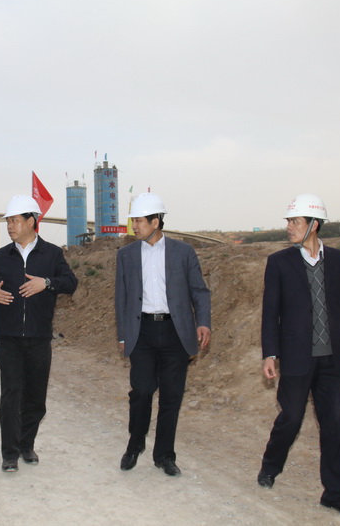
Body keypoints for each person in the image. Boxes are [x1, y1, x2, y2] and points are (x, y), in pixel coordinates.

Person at [256, 194, 340, 522]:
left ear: (313, 225)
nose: (289, 227)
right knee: (291, 418)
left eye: (295, 221)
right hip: (296, 357)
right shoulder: (279, 262)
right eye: (289, 221)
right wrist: (270, 353)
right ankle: (270, 466)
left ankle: (335, 496)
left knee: (337, 427)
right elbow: (270, 312)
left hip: (334, 360)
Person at [0, 195, 78, 472]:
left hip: (38, 337)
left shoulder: (52, 254)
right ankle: (9, 453)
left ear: (31, 221)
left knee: (35, 398)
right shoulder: (1, 256)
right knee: (11, 394)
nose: (10, 226)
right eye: (8, 221)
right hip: (7, 337)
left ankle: (26, 444)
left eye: (15, 220)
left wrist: (46, 283)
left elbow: (70, 282)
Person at [115, 192, 211, 477]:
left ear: (155, 222)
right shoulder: (126, 255)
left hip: (175, 332)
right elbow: (121, 298)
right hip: (142, 331)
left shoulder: (184, 252)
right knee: (142, 390)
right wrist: (123, 335)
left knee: (171, 395)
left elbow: (199, 291)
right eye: (133, 220)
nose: (134, 226)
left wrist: (203, 322)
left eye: (139, 221)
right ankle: (135, 445)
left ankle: (165, 456)